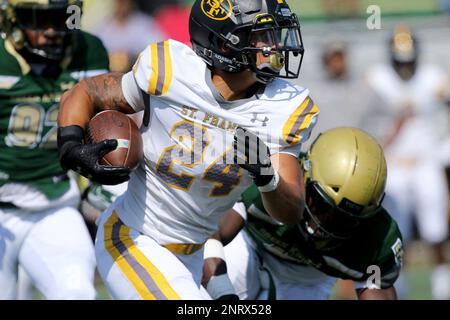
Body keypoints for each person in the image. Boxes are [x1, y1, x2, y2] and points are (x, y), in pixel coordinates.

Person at [57, 0, 319, 299]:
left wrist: (267, 178)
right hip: (133, 238)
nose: (274, 47)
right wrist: (70, 144)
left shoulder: (284, 108)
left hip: (194, 254)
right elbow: (86, 92)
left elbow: (290, 211)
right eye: (262, 36)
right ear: (225, 43)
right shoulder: (171, 70)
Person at [203, 127, 403, 300]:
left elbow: (377, 287)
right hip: (252, 247)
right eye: (321, 206)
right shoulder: (272, 177)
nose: (323, 225)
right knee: (226, 274)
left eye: (343, 219)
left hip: (307, 281)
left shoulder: (377, 240)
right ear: (304, 174)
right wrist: (223, 294)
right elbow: (209, 231)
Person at [0, 0, 109, 299]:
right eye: (41, 20)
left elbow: (106, 123)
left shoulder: (89, 51)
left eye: (62, 18)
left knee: (77, 292)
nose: (52, 31)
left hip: (55, 204)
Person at [363, 25, 450, 299]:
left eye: (409, 59)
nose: (405, 66)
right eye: (400, 60)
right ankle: (398, 283)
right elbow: (363, 118)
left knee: (437, 228)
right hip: (394, 163)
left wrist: (444, 149)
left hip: (426, 161)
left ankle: (442, 283)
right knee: (395, 232)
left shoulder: (432, 77)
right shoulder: (376, 79)